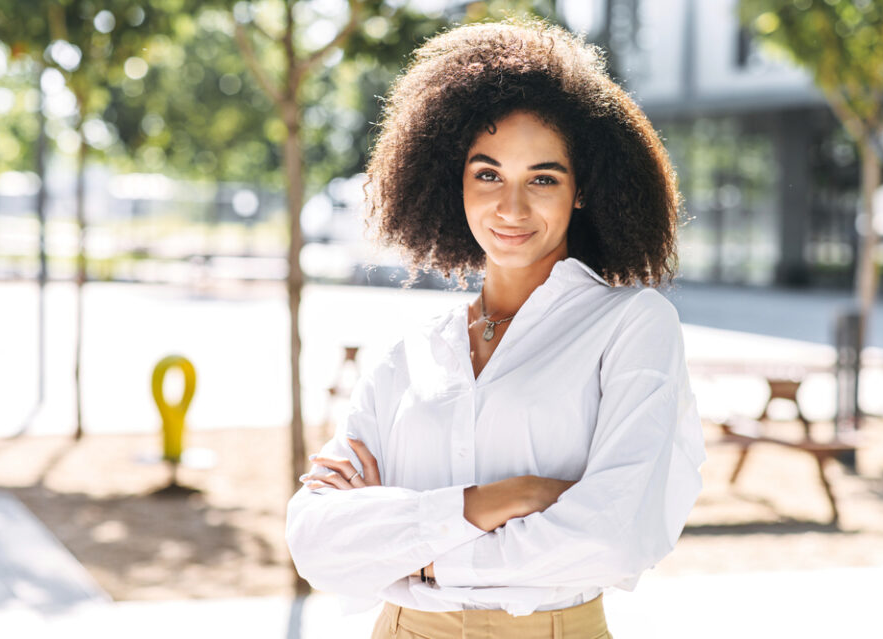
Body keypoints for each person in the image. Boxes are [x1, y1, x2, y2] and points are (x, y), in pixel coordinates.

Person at [285, 17, 706, 639]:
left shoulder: (632, 326)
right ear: (451, 180)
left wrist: (421, 553)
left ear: (581, 189)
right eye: (487, 174)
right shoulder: (415, 349)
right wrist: (485, 503)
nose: (511, 208)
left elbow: (613, 534)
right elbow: (315, 540)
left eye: (543, 178)